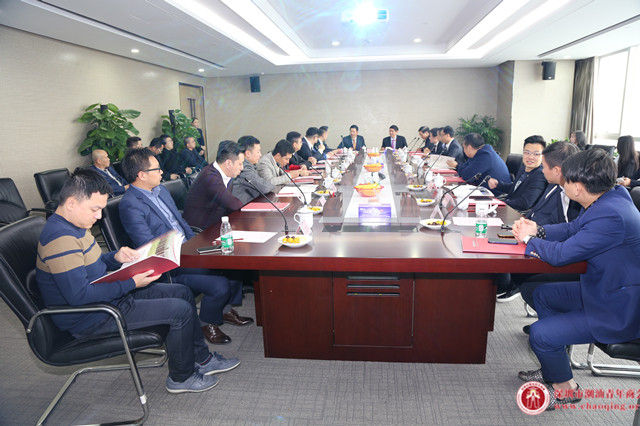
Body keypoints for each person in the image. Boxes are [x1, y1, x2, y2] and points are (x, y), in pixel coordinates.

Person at [35, 169, 239, 393]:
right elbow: (78, 296)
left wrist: (115, 257)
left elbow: (92, 263)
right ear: (71, 203)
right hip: (92, 316)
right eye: (95, 209)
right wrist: (131, 284)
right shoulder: (61, 239)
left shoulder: (76, 224)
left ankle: (202, 359)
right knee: (179, 311)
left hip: (107, 296)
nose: (99, 217)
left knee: (182, 292)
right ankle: (181, 378)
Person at [511, 148, 640, 410]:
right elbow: (573, 228)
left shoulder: (610, 215)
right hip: (603, 288)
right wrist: (539, 230)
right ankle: (555, 368)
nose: (563, 185)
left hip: (619, 307)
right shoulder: (612, 196)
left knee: (540, 334)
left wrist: (528, 239)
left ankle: (566, 390)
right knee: (544, 294)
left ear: (578, 187)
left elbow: (561, 255)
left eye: (566, 181)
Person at [119, 148, 253, 344]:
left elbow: (181, 223)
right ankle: (207, 323)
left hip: (187, 250)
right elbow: (147, 245)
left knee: (233, 264)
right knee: (220, 284)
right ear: (142, 175)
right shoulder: (130, 204)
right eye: (157, 169)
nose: (162, 172)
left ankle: (223, 310)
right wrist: (188, 254)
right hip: (171, 264)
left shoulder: (161, 191)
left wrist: (196, 245)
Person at [496, 141, 581, 303]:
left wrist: (534, 232)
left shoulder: (574, 195)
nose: (541, 170)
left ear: (557, 170)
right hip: (535, 231)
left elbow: (570, 230)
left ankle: (512, 283)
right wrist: (529, 225)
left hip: (553, 246)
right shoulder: (554, 185)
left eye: (544, 165)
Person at [183, 141, 245, 229]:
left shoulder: (227, 175)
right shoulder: (209, 176)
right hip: (201, 230)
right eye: (240, 164)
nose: (242, 168)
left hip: (216, 223)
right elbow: (231, 203)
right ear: (228, 163)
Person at [488, 135, 548, 212]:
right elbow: (516, 188)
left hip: (519, 213)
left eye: (536, 154)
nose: (530, 157)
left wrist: (500, 203)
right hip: (510, 207)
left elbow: (525, 203)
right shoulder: (524, 167)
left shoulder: (540, 175)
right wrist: (498, 184)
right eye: (527, 152)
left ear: (543, 156)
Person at [232, 136, 275, 205]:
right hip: (241, 209)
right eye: (258, 152)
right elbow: (264, 187)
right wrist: (272, 184)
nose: (260, 155)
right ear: (248, 153)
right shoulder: (244, 168)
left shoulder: (250, 166)